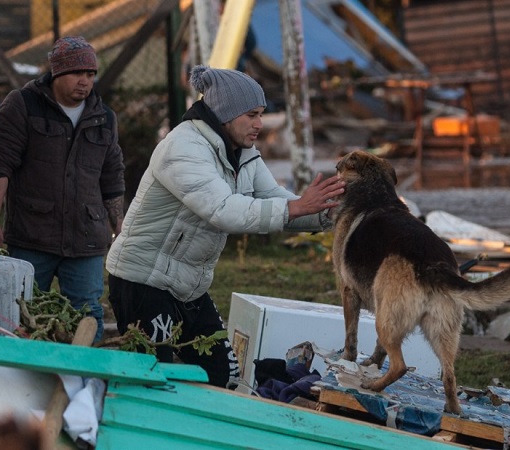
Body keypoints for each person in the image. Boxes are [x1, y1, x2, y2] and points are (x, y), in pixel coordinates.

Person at [105, 65, 344, 388]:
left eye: (261, 114)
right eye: (252, 115)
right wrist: (294, 207)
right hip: (143, 282)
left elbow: (275, 198)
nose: (260, 124)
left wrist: (329, 213)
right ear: (225, 114)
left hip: (188, 285)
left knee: (223, 376)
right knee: (151, 379)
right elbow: (222, 210)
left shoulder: (243, 152)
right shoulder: (184, 148)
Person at [0, 36, 125, 342]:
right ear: (57, 74)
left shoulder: (104, 117)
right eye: (77, 73)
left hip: (86, 239)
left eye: (90, 74)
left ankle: (83, 381)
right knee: (25, 311)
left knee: (87, 315)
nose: (85, 82)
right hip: (33, 235)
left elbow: (112, 175)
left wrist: (120, 226)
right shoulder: (22, 105)